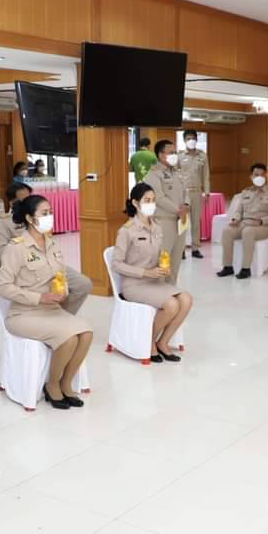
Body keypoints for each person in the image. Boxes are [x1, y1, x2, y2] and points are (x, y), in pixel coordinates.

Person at [0, 195, 92, 408]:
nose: (50, 217)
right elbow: (2, 286)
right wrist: (39, 297)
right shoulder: (17, 248)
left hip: (51, 310)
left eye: (51, 212)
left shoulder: (52, 243)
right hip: (23, 314)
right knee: (68, 339)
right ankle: (52, 385)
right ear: (30, 218)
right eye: (44, 213)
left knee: (86, 333)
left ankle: (66, 382)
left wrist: (62, 290)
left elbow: (61, 274)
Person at [112, 183, 193, 362]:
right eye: (147, 200)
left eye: (153, 200)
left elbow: (158, 255)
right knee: (172, 305)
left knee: (186, 299)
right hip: (134, 285)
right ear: (135, 203)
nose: (151, 204)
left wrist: (163, 266)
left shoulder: (157, 227)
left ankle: (163, 342)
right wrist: (145, 273)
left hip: (154, 283)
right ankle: (149, 342)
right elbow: (116, 264)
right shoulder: (126, 231)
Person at [218, 163, 268, 280]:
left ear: (266, 176)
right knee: (227, 231)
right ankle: (228, 266)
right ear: (251, 176)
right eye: (256, 175)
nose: (259, 177)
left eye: (262, 175)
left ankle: (246, 269)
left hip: (262, 227)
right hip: (244, 223)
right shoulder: (246, 192)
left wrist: (261, 221)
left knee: (248, 231)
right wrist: (235, 219)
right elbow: (238, 210)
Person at [144, 140, 189, 285]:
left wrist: (186, 205)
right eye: (171, 152)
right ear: (160, 155)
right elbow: (158, 197)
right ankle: (159, 290)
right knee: (163, 258)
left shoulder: (177, 172)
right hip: (164, 221)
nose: (174, 155)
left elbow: (186, 190)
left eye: (175, 152)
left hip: (181, 221)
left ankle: (171, 288)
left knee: (176, 258)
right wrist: (177, 209)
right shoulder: (153, 174)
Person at [177, 130, 211, 259]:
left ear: (196, 140)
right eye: (188, 138)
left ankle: (195, 248)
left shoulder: (202, 155)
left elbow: (206, 175)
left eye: (193, 138)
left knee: (196, 222)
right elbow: (175, 173)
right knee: (182, 222)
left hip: (196, 192)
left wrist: (207, 192)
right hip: (183, 193)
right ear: (184, 140)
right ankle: (181, 250)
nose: (191, 140)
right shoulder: (179, 156)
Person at [0, 181, 33, 269]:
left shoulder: (34, 218)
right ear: (12, 203)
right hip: (15, 268)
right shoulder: (3, 223)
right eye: (24, 201)